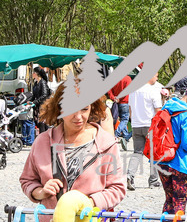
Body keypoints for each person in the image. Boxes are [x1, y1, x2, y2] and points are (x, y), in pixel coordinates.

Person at [19, 81, 125, 210]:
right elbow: (27, 180)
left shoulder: (106, 143)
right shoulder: (43, 141)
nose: (78, 116)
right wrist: (40, 192)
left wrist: (89, 203)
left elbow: (117, 188)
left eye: (85, 108)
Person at [156, 83, 187, 216]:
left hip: (163, 160)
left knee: (169, 199)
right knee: (180, 201)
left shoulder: (167, 107)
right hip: (180, 164)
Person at [127, 70, 164, 190]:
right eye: (156, 76)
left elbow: (130, 110)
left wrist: (134, 122)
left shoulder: (132, 91)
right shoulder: (152, 91)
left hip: (136, 125)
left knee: (137, 152)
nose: (156, 79)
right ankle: (153, 181)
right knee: (154, 154)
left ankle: (130, 175)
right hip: (150, 125)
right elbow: (158, 111)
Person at [29, 66, 53, 138]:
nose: (32, 74)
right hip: (38, 106)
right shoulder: (36, 83)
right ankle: (43, 138)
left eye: (33, 73)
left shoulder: (43, 82)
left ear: (37, 74)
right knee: (39, 123)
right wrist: (30, 101)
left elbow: (44, 95)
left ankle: (45, 138)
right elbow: (34, 95)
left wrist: (35, 102)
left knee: (43, 123)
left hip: (43, 106)